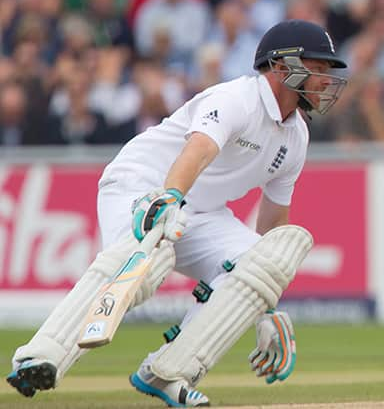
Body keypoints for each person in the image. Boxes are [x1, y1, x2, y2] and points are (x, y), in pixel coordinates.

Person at [7, 20, 349, 407]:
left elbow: (270, 227)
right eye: (318, 68)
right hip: (141, 185)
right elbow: (199, 150)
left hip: (202, 212)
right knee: (147, 260)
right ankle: (42, 354)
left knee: (270, 257)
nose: (325, 80)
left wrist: (265, 305)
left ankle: (168, 372)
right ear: (282, 66)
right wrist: (168, 199)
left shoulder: (296, 136)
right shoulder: (237, 98)